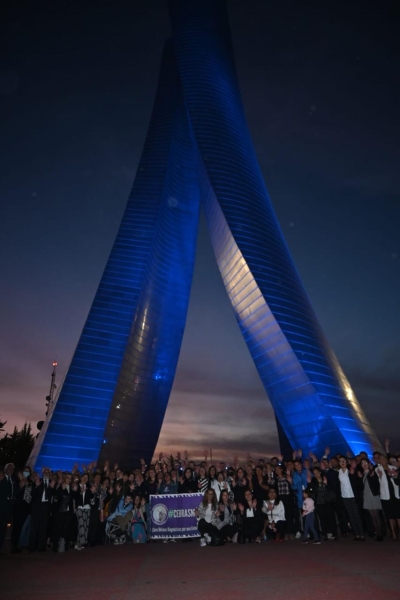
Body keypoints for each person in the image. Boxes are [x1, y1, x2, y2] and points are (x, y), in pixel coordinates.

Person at [338, 457, 365, 541]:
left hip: (353, 495)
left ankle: (362, 533)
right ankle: (356, 533)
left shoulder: (351, 470)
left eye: (344, 461)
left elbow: (358, 483)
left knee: (356, 515)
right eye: (340, 461)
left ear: (347, 462)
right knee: (351, 515)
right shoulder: (338, 472)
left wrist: (353, 474)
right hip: (345, 496)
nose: (342, 462)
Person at [29, 468, 55, 552]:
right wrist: (36, 486)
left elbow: (53, 496)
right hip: (37, 507)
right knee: (34, 528)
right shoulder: (38, 480)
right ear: (42, 472)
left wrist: (51, 488)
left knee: (43, 528)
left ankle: (41, 547)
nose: (46, 473)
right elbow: (32, 494)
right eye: (45, 472)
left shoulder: (52, 482)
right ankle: (32, 546)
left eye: (48, 471)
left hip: (46, 508)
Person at [375, 454, 400, 539]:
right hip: (386, 495)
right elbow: (379, 482)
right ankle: (393, 533)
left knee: (398, 514)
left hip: (395, 493)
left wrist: (392, 475)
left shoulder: (393, 467)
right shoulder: (377, 469)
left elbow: (397, 479)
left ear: (386, 460)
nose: (382, 460)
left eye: (383, 459)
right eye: (380, 459)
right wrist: (381, 476)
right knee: (390, 515)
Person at [360, 458, 383, 541]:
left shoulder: (373, 472)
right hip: (366, 496)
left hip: (373, 495)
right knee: (372, 516)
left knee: (376, 515)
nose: (364, 464)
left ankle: (380, 533)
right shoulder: (362, 474)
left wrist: (374, 475)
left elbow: (377, 483)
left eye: (365, 462)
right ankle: (376, 531)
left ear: (369, 463)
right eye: (362, 463)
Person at [0, 463, 16, 553]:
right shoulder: (2, 479)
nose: (11, 470)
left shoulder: (13, 480)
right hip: (2, 506)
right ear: (5, 469)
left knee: (4, 529)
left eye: (12, 469)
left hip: (9, 508)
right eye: (9, 469)